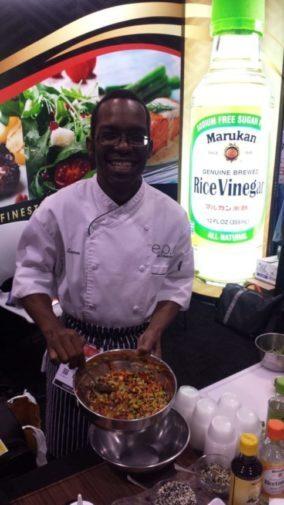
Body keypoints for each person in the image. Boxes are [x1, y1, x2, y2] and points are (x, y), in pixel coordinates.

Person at [12, 89, 194, 458]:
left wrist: (157, 328)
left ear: (149, 144)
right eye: (110, 134)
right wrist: (53, 330)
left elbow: (177, 283)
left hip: (141, 351)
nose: (123, 146)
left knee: (135, 455)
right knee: (69, 453)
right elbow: (30, 274)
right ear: (92, 144)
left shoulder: (172, 215)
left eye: (135, 136)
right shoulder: (58, 207)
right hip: (75, 348)